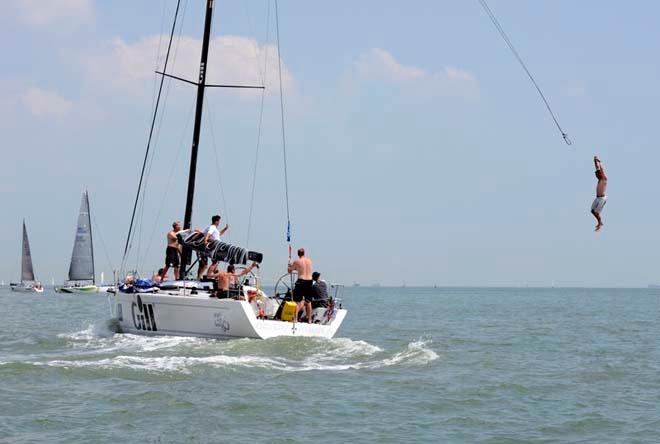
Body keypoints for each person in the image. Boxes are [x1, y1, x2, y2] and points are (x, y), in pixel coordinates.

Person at [198, 215, 229, 279]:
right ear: (217, 221)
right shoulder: (212, 227)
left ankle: (217, 277)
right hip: (215, 246)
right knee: (215, 262)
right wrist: (205, 240)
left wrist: (225, 229)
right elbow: (208, 234)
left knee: (216, 263)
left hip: (214, 246)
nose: (219, 223)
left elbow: (218, 234)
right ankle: (208, 275)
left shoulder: (210, 227)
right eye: (219, 221)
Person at [287, 248, 314, 323]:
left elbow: (289, 271)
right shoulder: (309, 261)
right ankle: (310, 320)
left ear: (298, 254)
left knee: (297, 301)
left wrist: (289, 265)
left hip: (301, 281)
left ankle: (295, 319)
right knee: (308, 302)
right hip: (309, 281)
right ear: (304, 253)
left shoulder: (297, 261)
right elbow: (303, 269)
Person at [591, 156, 608, 232]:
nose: (596, 176)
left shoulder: (603, 178)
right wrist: (598, 161)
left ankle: (600, 223)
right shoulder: (602, 176)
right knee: (592, 211)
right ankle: (599, 222)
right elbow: (601, 168)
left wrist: (595, 161)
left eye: (597, 174)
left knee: (596, 212)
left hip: (601, 199)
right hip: (597, 198)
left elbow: (598, 168)